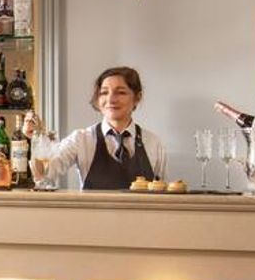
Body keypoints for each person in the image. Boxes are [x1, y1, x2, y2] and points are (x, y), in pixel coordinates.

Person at [35, 66, 166, 190]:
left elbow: (163, 196)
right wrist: (34, 140)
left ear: (137, 98)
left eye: (121, 92)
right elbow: (44, 174)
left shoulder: (153, 143)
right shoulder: (80, 139)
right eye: (104, 92)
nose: (111, 99)